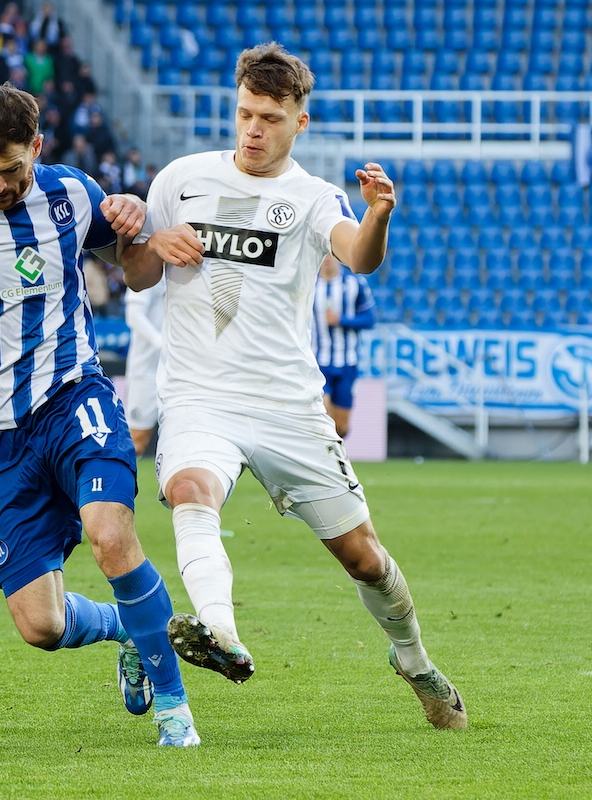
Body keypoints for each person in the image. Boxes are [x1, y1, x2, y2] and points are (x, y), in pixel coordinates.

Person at [120, 43, 467, 730]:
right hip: (200, 396)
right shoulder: (180, 180)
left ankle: (414, 660)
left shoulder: (311, 198)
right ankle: (219, 631)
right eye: (245, 113)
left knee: (364, 559)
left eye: (270, 118)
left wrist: (379, 216)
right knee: (191, 490)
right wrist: (148, 247)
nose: (253, 129)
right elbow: (136, 277)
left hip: (288, 405)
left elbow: (357, 256)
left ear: (298, 123)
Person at [0, 84, 200, 747]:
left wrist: (135, 227)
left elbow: (139, 274)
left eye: (10, 170)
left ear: (37, 147)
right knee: (42, 626)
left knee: (110, 536)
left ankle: (175, 708)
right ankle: (126, 628)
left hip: (73, 397)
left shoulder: (73, 193)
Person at [312, 253, 377, 438]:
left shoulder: (355, 284)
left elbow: (370, 319)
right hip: (318, 362)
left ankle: (332, 454)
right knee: (322, 412)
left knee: (341, 427)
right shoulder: (310, 284)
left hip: (347, 362)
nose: (325, 260)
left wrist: (342, 319)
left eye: (329, 256)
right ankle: (322, 460)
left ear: (338, 258)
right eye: (322, 256)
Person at [123, 280, 165, 455]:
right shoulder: (148, 269)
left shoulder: (187, 273)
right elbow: (133, 316)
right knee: (137, 441)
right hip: (146, 370)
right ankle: (119, 481)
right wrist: (161, 343)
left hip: (177, 371)